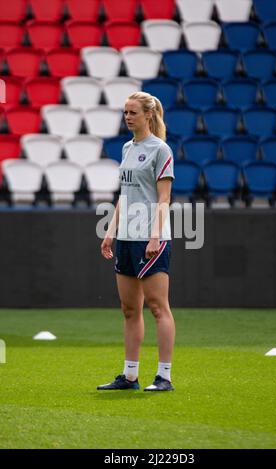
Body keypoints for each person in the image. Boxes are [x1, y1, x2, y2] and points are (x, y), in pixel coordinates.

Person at [97, 91, 176, 392]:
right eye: (125, 112)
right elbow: (125, 195)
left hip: (150, 238)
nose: (127, 117)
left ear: (148, 115)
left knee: (158, 307)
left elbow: (164, 197)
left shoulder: (161, 149)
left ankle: (164, 377)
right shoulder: (128, 147)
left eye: (133, 112)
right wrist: (110, 231)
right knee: (129, 309)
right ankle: (130, 376)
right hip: (127, 238)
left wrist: (155, 235)